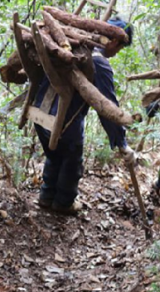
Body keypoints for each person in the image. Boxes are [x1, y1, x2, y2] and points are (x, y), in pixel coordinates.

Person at [34, 18, 137, 215]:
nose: (116, 54)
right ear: (115, 42)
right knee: (72, 159)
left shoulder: (72, 45)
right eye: (120, 48)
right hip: (62, 123)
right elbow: (107, 107)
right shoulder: (98, 62)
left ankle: (46, 197)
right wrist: (122, 143)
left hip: (38, 115)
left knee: (54, 155)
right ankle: (63, 203)